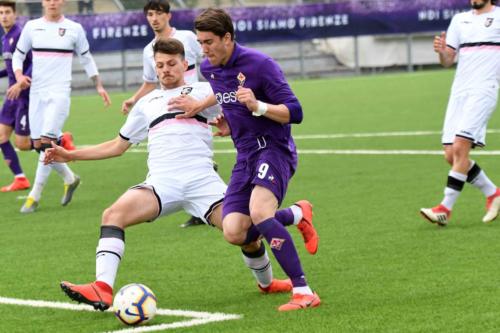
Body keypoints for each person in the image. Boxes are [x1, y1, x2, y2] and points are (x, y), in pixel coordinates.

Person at [46, 39, 315, 310]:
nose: (165, 70)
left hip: (203, 181)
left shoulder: (207, 90)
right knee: (112, 215)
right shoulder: (146, 103)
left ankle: (268, 282)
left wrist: (230, 125)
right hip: (161, 183)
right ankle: (102, 288)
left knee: (242, 231)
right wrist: (71, 155)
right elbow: (117, 146)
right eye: (160, 65)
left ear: (185, 64)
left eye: (171, 64)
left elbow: (245, 113)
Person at [170, 8, 321, 311]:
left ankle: (304, 292)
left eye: (209, 41)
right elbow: (223, 91)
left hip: (274, 149)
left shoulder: (261, 65)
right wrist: (220, 115)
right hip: (245, 155)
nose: (204, 49)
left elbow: (296, 112)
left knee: (261, 213)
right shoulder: (210, 67)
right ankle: (296, 215)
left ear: (228, 37)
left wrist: (258, 107)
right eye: (200, 42)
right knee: (234, 231)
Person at [10, 0, 111, 213]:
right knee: (38, 145)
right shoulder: (31, 27)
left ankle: (34, 196)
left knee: (47, 141)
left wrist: (99, 85)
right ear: (43, 2)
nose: (52, 2)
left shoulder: (75, 29)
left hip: (60, 93)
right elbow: (18, 55)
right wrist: (19, 76)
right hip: (37, 93)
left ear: (62, 1)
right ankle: (69, 177)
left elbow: (86, 58)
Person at [122, 0, 204, 228]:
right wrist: (134, 99)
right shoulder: (148, 50)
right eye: (150, 14)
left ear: (168, 15)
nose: (154, 18)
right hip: (168, 112)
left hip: (197, 108)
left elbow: (208, 58)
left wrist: (205, 94)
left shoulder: (187, 37)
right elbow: (150, 82)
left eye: (158, 13)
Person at [420, 0, 500, 226]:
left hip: (484, 90)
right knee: (451, 155)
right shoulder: (459, 20)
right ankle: (494, 194)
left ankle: (444, 208)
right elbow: (447, 61)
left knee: (460, 147)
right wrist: (441, 50)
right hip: (459, 92)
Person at [0, 1, 31, 192]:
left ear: (15, 14)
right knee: (1, 136)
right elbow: (11, 68)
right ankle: (20, 178)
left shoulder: (20, 35)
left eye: (7, 12)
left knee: (24, 144)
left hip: (24, 95)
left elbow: (32, 63)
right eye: (1, 12)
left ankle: (61, 141)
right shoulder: (5, 38)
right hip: (11, 96)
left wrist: (21, 82)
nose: (4, 16)